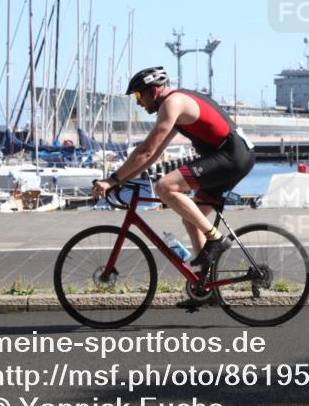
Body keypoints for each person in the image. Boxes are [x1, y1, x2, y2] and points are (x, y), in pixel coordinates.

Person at [91, 66, 255, 309]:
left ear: (154, 90)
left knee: (165, 186)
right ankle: (205, 286)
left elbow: (145, 150)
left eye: (139, 96)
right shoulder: (176, 106)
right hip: (235, 156)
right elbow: (152, 154)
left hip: (231, 156)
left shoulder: (173, 103)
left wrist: (112, 179)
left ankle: (216, 239)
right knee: (192, 219)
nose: (139, 103)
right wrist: (120, 181)